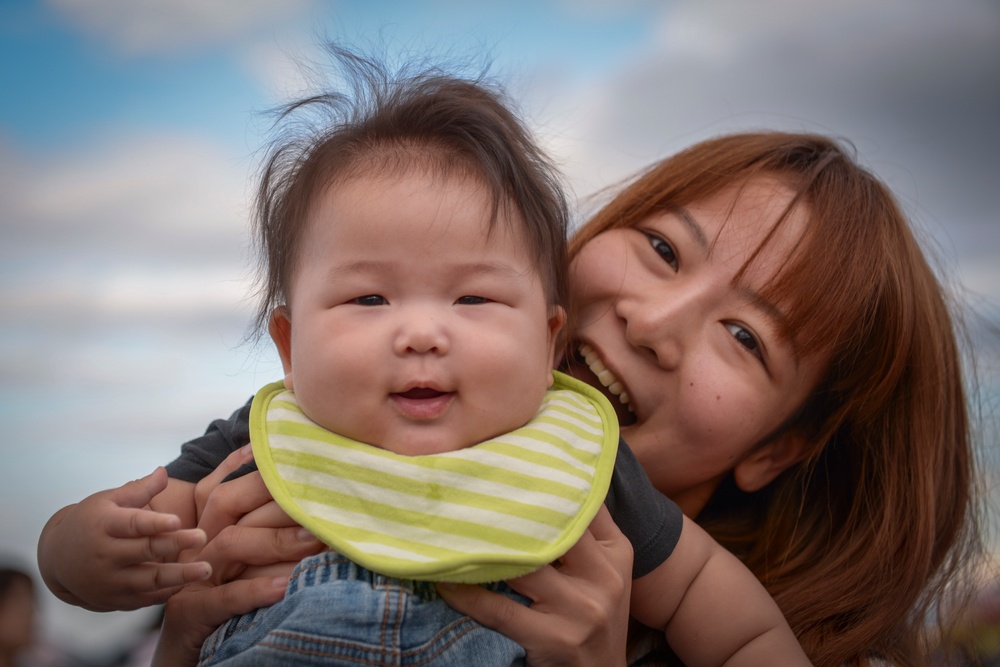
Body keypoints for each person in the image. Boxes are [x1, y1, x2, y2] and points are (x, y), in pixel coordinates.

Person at [36, 51, 810, 667]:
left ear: (548, 342)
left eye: (472, 300)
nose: (420, 333)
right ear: (290, 346)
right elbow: (95, 549)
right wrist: (81, 552)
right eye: (369, 300)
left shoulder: (584, 466)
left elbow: (722, 609)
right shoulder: (260, 441)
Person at [149, 129, 981, 667]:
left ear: (775, 449)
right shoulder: (293, 436)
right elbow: (118, 530)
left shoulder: (670, 558)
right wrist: (185, 641)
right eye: (661, 248)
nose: (654, 323)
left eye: (746, 338)